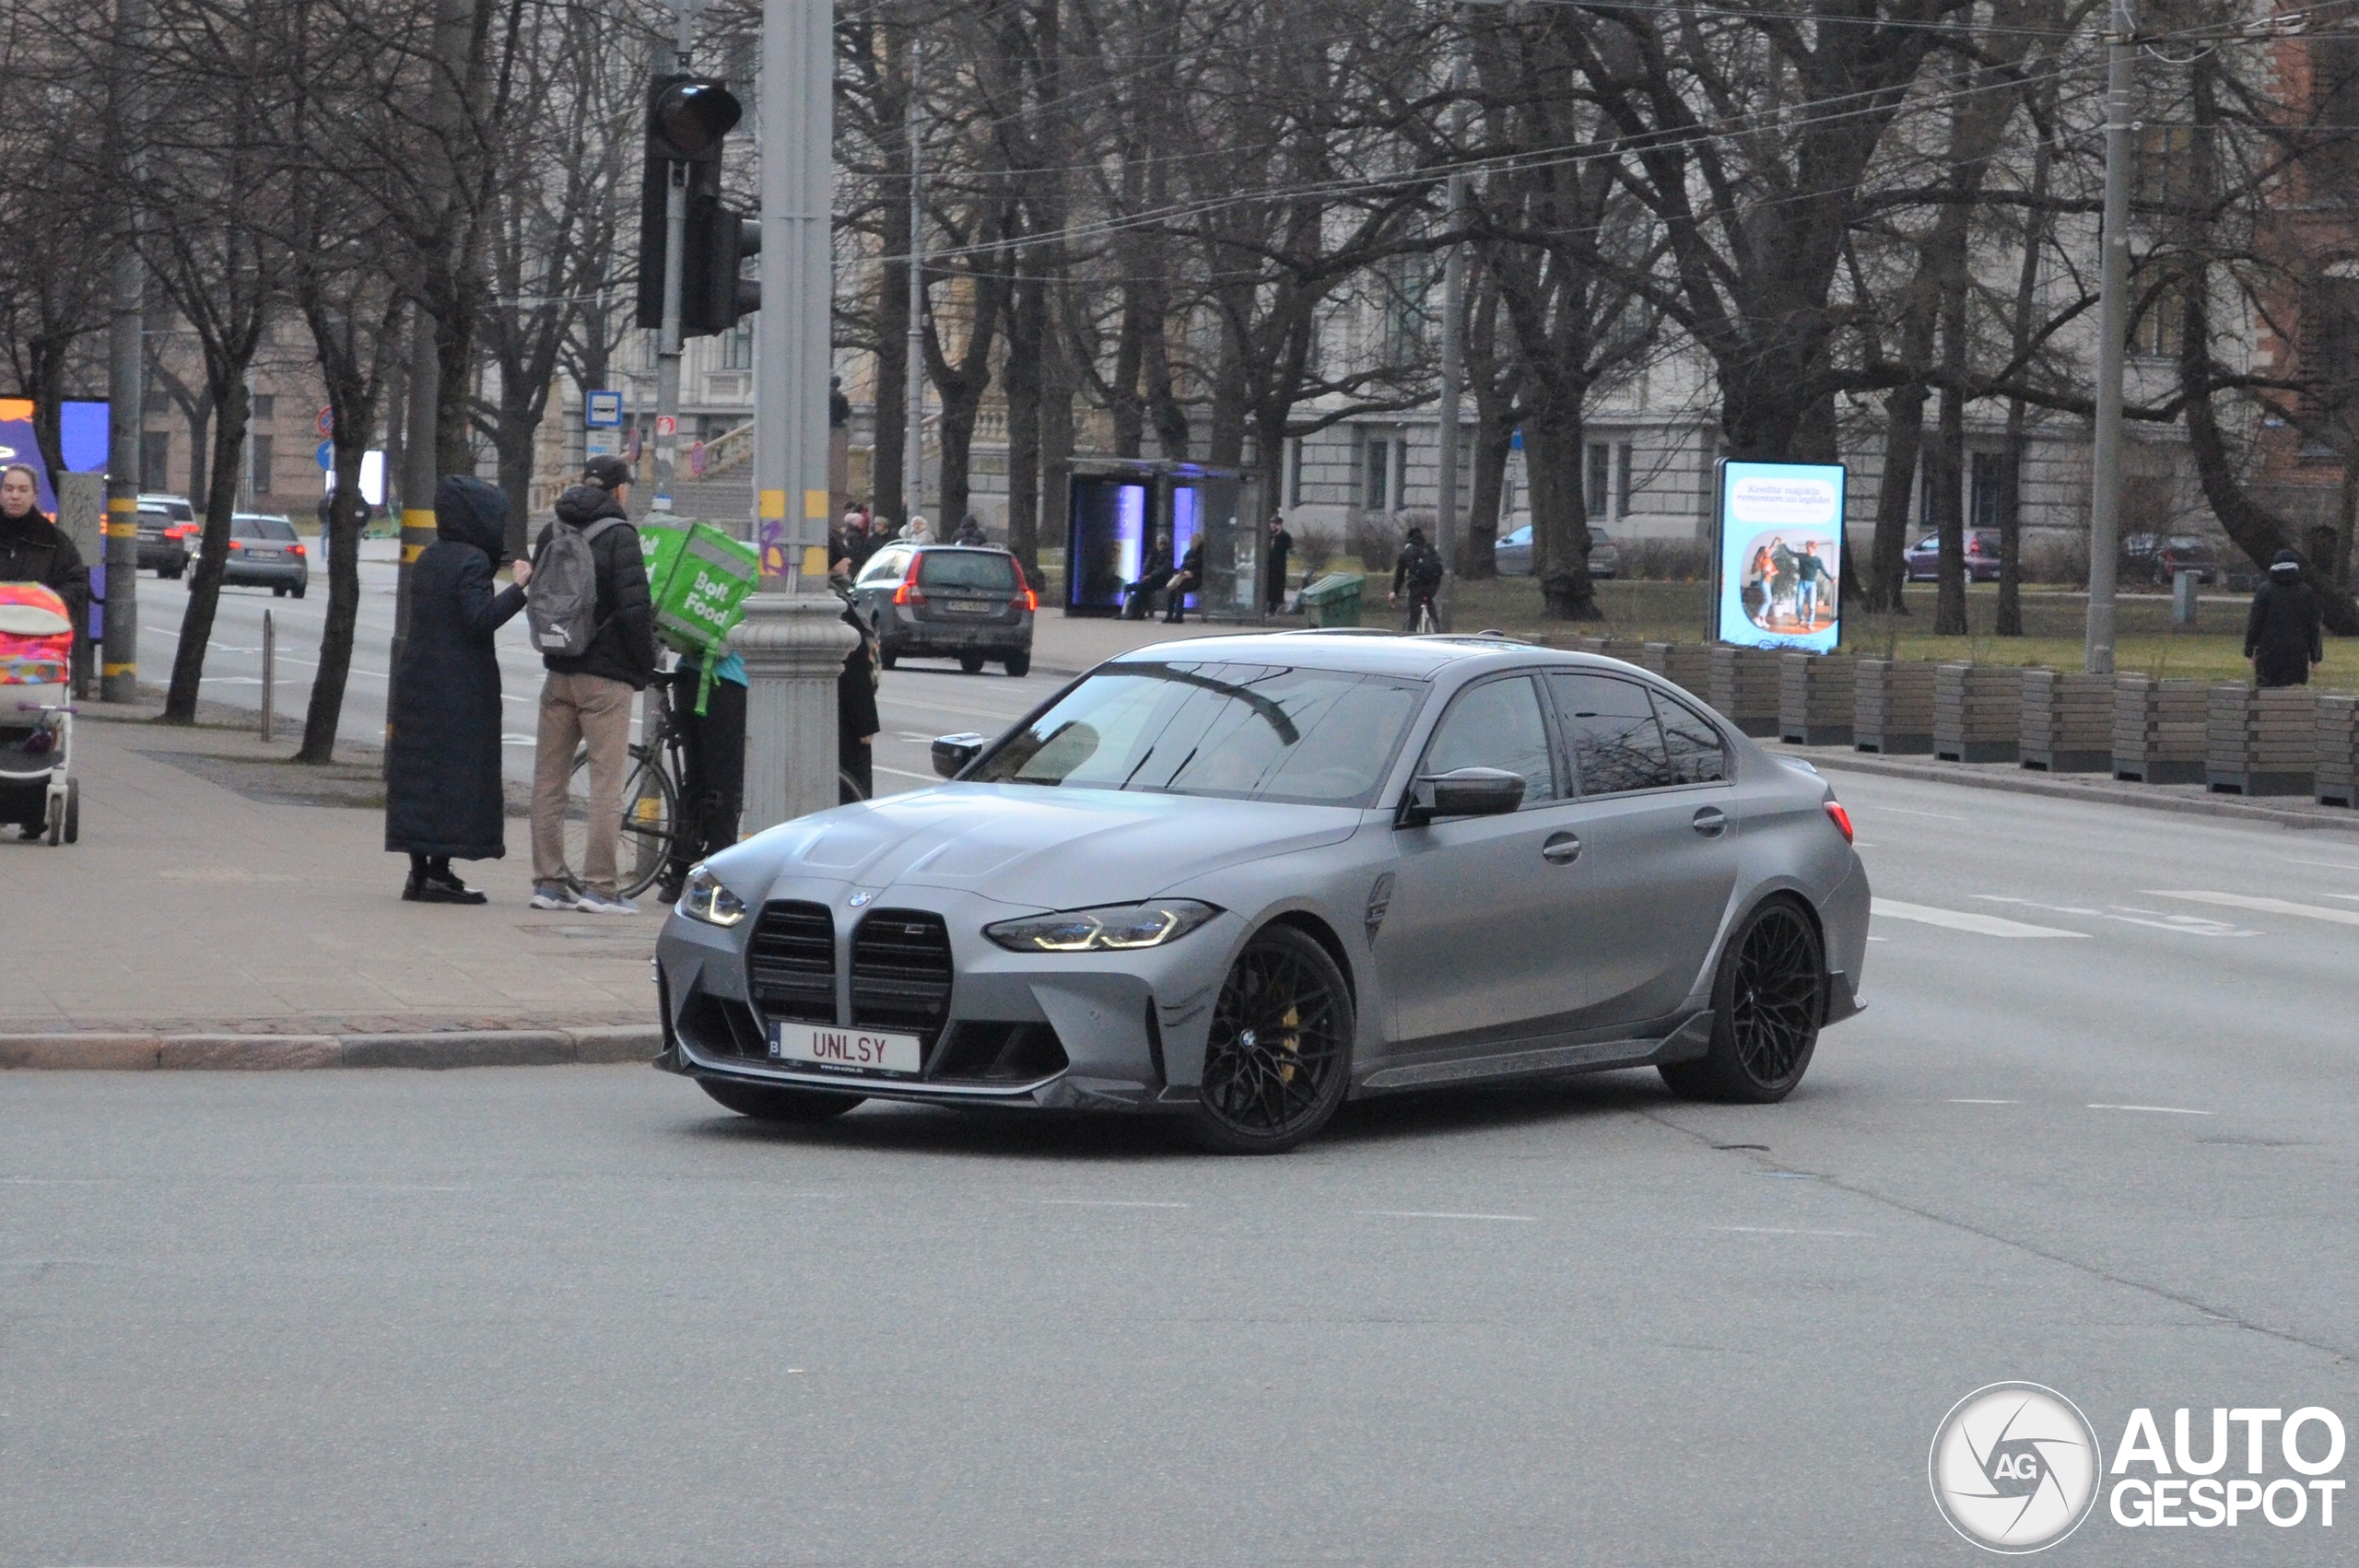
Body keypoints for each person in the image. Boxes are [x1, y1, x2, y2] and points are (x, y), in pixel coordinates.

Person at [383, 475, 531, 903]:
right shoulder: (470, 562)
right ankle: (439, 869)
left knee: (421, 773)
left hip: (420, 680)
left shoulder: (430, 557)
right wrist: (520, 587)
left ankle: (422, 871)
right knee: (454, 776)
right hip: (459, 688)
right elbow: (480, 619)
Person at [528, 454, 656, 914]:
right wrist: (644, 667)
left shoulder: (552, 529)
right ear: (620, 490)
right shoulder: (620, 536)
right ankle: (601, 886)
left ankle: (548, 882)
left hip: (558, 670)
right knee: (606, 783)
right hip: (606, 679)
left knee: (549, 780)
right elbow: (635, 610)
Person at [0, 464, 87, 650]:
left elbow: (76, 584)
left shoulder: (53, 540)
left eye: (23, 490)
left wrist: (46, 604)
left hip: (38, 643)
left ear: (34, 495)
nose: (15, 496)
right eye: (8, 488)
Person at [2244, 549, 2324, 688]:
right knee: (2294, 695)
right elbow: (2313, 627)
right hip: (2297, 653)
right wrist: (2315, 657)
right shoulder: (2306, 593)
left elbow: (2255, 623)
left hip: (2268, 651)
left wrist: (2249, 650)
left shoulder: (2264, 591)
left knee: (2266, 693)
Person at [839, 597, 881, 800]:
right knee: (852, 793)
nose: (848, 562)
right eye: (840, 561)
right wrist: (865, 723)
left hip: (839, 711)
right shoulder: (836, 605)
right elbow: (855, 667)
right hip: (844, 720)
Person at [1390, 525, 1443, 630]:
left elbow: (1400, 575)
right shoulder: (1430, 549)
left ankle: (1411, 637)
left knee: (1413, 618)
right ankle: (1437, 630)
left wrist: (1395, 592)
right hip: (1432, 586)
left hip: (1416, 587)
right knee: (1430, 606)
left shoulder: (1408, 551)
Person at [1123, 532, 1174, 619]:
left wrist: (1150, 575)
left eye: (1162, 543)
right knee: (1128, 587)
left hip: (1160, 579)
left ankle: (1134, 612)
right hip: (1149, 578)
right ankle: (1126, 611)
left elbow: (1164, 569)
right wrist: (1143, 574)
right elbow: (1147, 565)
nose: (1160, 545)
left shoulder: (1169, 555)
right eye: (1159, 543)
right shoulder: (1153, 553)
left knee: (1141, 586)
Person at [1164, 534, 1203, 624]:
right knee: (1172, 589)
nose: (1190, 542)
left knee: (1180, 589)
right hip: (1184, 577)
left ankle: (1178, 616)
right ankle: (1169, 615)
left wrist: (1192, 573)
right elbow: (1183, 566)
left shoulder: (1202, 554)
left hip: (1197, 578)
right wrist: (1181, 572)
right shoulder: (1188, 553)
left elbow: (1204, 569)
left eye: (1192, 541)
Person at [1264, 513, 1294, 614]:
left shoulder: (1284, 536)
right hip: (1269, 565)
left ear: (1280, 525)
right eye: (1271, 523)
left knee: (1276, 586)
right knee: (1268, 586)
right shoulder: (1269, 535)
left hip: (1278, 566)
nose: (1272, 526)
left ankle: (1274, 606)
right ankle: (1268, 606)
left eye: (1275, 524)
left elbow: (1287, 548)